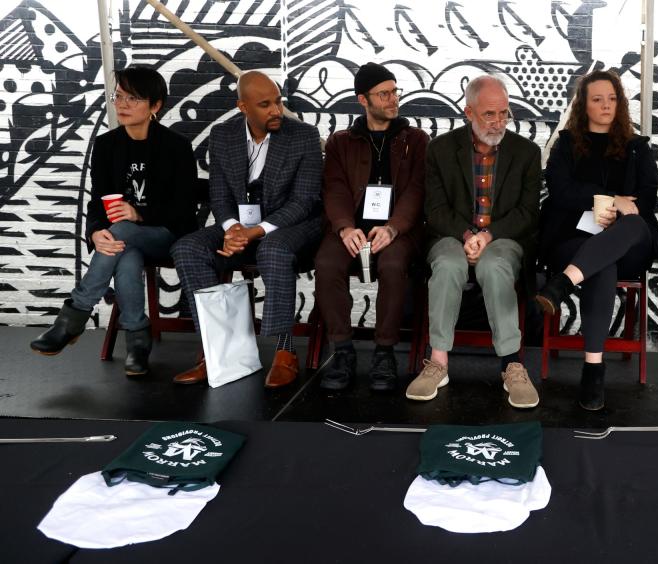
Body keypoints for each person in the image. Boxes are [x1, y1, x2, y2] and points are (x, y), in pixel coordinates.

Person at [30, 66, 197, 377]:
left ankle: (74, 314)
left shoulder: (176, 147)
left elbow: (185, 210)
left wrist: (140, 214)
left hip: (168, 234)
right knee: (124, 251)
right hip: (126, 240)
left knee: (120, 232)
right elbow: (98, 201)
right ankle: (137, 340)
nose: (122, 104)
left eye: (133, 98)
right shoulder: (107, 146)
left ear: (155, 105)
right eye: (118, 96)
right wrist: (94, 233)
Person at [171, 71, 324, 388]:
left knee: (273, 249)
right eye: (265, 104)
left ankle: (285, 353)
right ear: (243, 106)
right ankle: (217, 352)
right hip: (241, 226)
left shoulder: (304, 136)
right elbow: (219, 195)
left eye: (278, 102)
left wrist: (255, 232)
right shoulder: (223, 135)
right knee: (188, 248)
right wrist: (231, 229)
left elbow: (304, 201)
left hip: (295, 226)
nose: (276, 111)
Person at [406, 74, 541, 408]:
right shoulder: (440, 149)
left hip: (503, 238)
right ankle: (438, 362)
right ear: (468, 112)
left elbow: (527, 212)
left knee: (495, 267)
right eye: (489, 115)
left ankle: (511, 364)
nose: (498, 122)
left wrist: (487, 235)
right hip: (452, 235)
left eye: (504, 113)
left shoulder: (526, 152)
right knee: (449, 264)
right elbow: (434, 209)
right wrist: (468, 236)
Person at [535, 70, 658, 411]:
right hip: (574, 238)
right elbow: (560, 192)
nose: (606, 105)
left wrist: (623, 210)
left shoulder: (637, 148)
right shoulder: (565, 145)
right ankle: (594, 369)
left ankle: (563, 283)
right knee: (600, 264)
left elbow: (649, 200)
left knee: (636, 224)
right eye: (597, 99)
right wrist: (606, 199)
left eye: (612, 98)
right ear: (584, 105)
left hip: (628, 244)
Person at [315, 62, 429, 392]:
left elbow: (417, 190)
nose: (393, 99)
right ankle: (343, 350)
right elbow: (334, 188)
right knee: (326, 263)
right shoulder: (341, 142)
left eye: (395, 92)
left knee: (394, 265)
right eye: (384, 94)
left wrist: (393, 227)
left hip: (399, 231)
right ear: (363, 100)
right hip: (352, 227)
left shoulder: (416, 140)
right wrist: (344, 228)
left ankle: (384, 350)